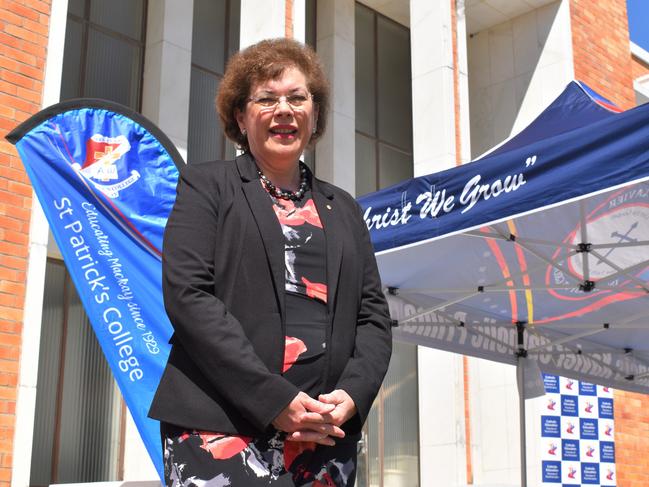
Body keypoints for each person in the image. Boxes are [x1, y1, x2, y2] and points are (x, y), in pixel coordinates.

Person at [148, 37, 392, 486]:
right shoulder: (206, 186)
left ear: (314, 114)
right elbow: (188, 296)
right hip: (220, 430)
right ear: (241, 116)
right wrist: (272, 399)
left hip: (322, 434)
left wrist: (353, 394)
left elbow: (373, 316)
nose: (284, 109)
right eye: (266, 98)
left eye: (298, 98)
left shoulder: (345, 208)